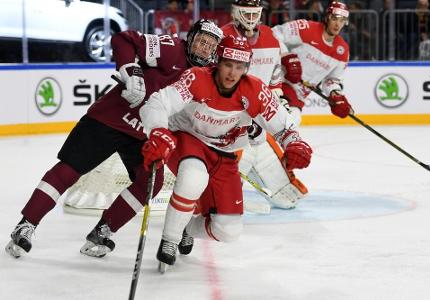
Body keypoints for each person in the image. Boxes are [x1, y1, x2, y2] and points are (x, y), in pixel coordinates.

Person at [5, 19, 223, 258]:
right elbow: (125, 39)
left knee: (151, 181)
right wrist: (131, 70)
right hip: (110, 119)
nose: (204, 48)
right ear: (190, 38)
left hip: (142, 134)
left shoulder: (205, 76)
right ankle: (26, 225)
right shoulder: (171, 48)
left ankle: (103, 230)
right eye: (202, 41)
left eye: (210, 45)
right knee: (69, 169)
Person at [138, 35, 313, 270]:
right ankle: (169, 240)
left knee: (228, 230)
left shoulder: (255, 91)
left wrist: (295, 144)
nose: (232, 73)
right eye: (228, 65)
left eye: (239, 67)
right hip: (190, 138)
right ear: (217, 62)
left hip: (225, 153)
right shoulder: (196, 77)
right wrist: (158, 131)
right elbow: (157, 103)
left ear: (246, 68)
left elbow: (284, 126)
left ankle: (186, 227)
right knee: (193, 178)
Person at [221, 0, 309, 210]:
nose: (251, 19)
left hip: (259, 116)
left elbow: (275, 81)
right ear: (236, 12)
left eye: (255, 13)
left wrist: (280, 103)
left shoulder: (270, 36)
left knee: (287, 198)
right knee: (244, 154)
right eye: (246, 13)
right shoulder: (222, 36)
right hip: (228, 117)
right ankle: (225, 191)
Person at [271, 1, 353, 124]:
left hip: (299, 95)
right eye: (335, 18)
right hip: (278, 82)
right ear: (327, 17)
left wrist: (336, 95)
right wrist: (286, 56)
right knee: (283, 121)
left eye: (342, 20)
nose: (338, 24)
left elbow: (332, 80)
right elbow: (274, 33)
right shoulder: (306, 28)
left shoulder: (343, 51)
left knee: (292, 122)